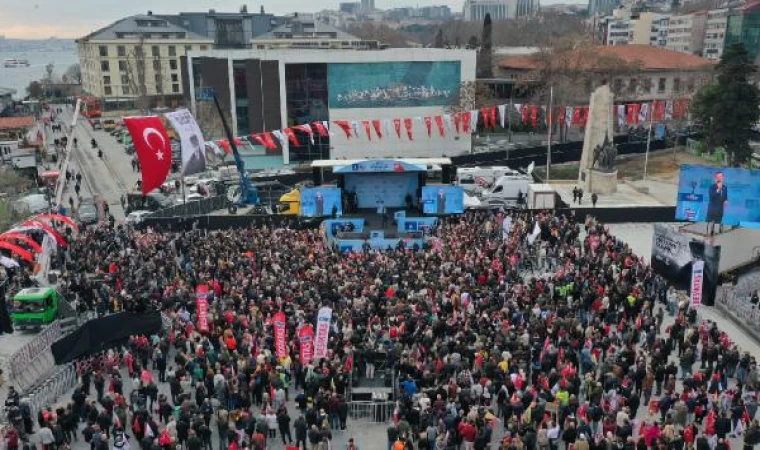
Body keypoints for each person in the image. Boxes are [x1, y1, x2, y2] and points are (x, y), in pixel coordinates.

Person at [707, 171, 728, 235]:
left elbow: (725, 196)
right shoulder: (712, 187)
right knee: (710, 228)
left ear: (723, 178)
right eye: (718, 177)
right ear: (715, 178)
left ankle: (716, 236)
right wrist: (718, 189)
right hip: (712, 211)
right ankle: (709, 236)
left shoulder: (725, 187)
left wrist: (726, 200)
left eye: (721, 176)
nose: (719, 178)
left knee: (717, 228)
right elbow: (712, 196)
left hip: (720, 210)